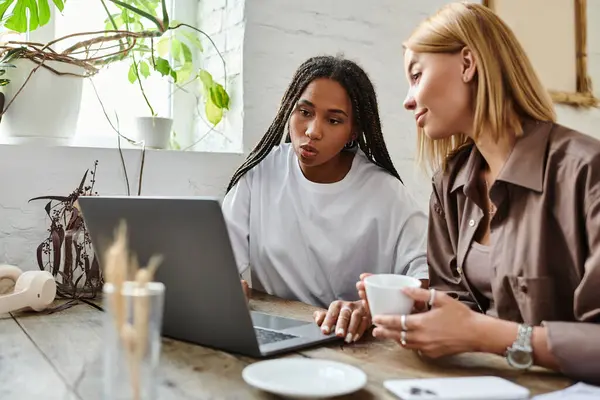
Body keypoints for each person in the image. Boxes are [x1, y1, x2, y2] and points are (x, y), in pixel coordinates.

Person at [357, 2, 600, 384]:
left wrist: (489, 335)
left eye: (416, 75)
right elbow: (457, 307)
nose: (407, 100)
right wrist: (402, 306)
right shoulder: (449, 185)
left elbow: (476, 330)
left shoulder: (586, 172)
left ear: (468, 63)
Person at [222, 55, 428, 344]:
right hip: (276, 333)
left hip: (350, 342)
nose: (312, 131)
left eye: (333, 120)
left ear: (352, 132)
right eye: (304, 112)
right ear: (288, 109)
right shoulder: (260, 174)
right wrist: (224, 287)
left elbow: (426, 274)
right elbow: (218, 259)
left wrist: (370, 308)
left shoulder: (385, 192)